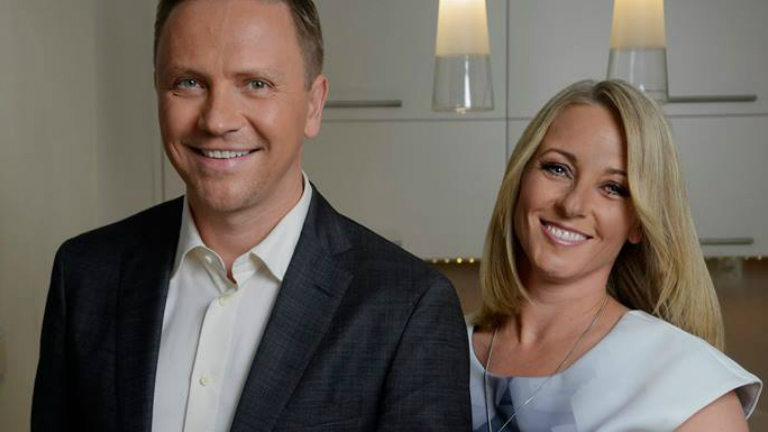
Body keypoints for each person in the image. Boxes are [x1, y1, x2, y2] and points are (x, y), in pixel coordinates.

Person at [31, 0, 471, 430]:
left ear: (313, 105)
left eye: (256, 84)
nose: (217, 120)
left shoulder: (409, 307)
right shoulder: (85, 275)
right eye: (188, 82)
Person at [468, 80, 762, 432]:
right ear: (519, 179)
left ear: (638, 224)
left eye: (613, 188)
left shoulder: (690, 386)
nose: (573, 205)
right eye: (557, 168)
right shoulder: (431, 345)